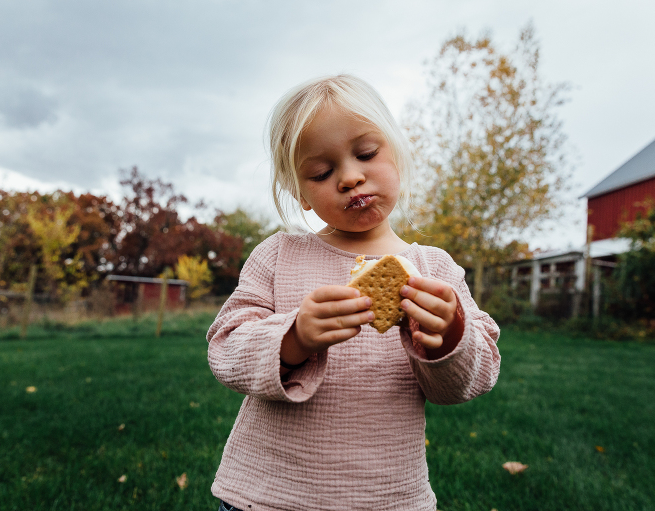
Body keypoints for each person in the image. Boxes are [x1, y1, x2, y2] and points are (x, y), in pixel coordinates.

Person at [206, 75, 500, 511]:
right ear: (301, 194)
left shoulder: (434, 268)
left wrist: (450, 334)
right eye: (322, 172)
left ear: (396, 154)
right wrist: (294, 338)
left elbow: (474, 378)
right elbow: (225, 348)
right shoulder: (279, 255)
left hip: (389, 498)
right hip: (266, 496)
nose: (350, 177)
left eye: (366, 153)